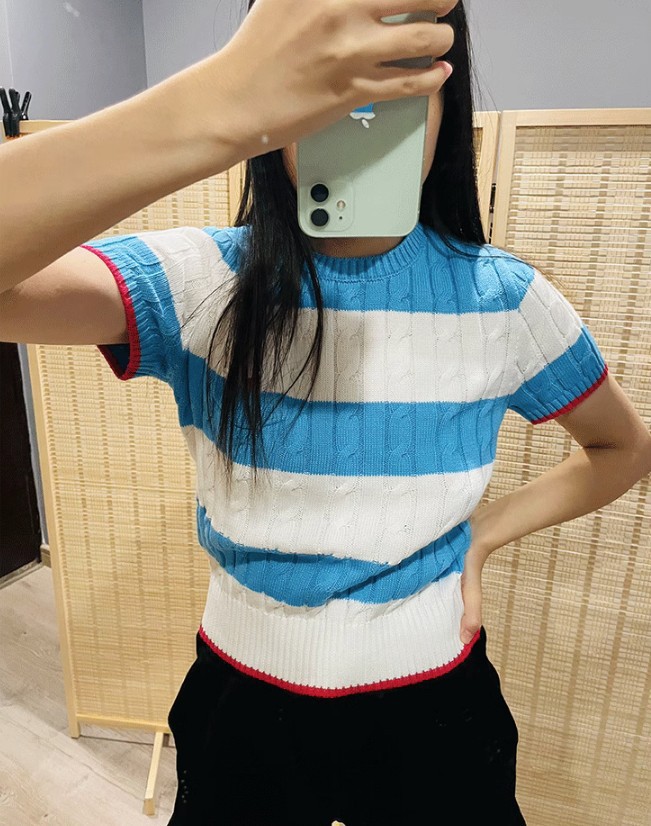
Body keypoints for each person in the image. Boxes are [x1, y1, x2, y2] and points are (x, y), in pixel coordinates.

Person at [1, 1, 650, 824]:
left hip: (435, 706)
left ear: (446, 103)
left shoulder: (506, 300)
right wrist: (207, 111)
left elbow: (621, 449)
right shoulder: (200, 282)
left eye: (395, 74)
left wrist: (481, 538)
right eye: (322, 77)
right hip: (241, 700)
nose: (357, 107)